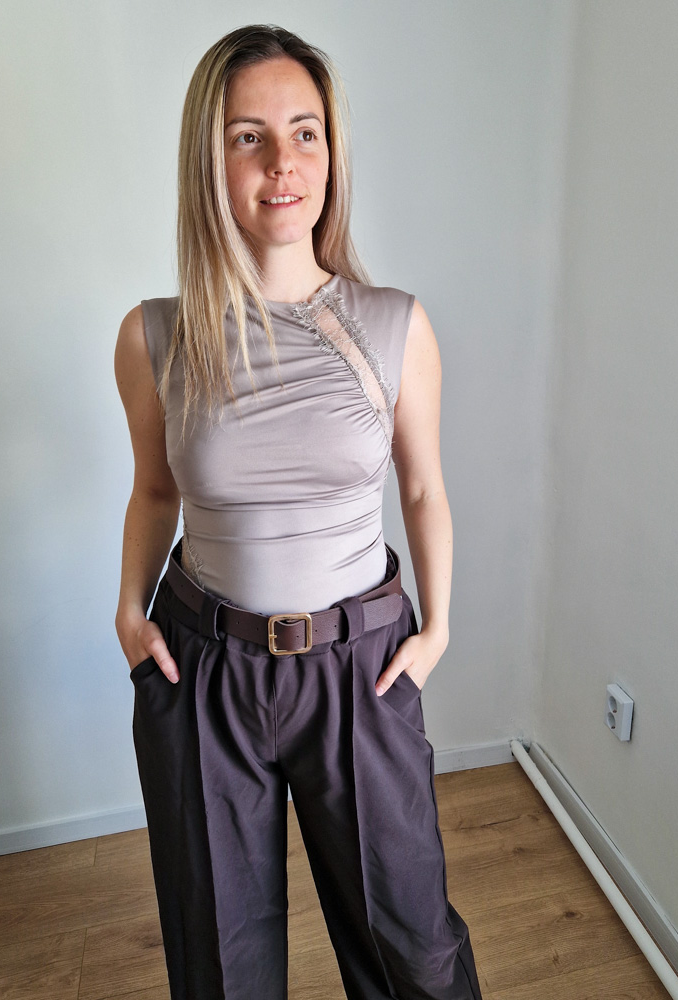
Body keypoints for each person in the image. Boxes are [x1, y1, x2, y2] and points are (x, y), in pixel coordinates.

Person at [114, 23, 484, 1000]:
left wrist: (439, 629)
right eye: (250, 137)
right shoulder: (154, 337)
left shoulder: (393, 324)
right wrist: (128, 609)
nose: (283, 162)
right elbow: (155, 490)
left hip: (358, 668)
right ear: (211, 160)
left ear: (332, 150)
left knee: (413, 950)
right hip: (205, 670)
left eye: (305, 132)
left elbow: (422, 487)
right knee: (221, 964)